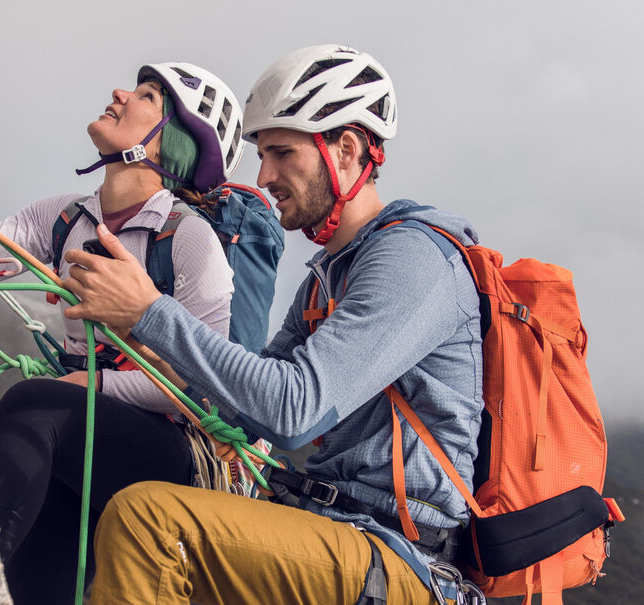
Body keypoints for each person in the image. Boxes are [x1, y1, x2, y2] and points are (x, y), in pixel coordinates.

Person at [62, 44, 486, 604]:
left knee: (151, 523)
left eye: (282, 153)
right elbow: (244, 405)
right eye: (262, 155)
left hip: (396, 559)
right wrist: (140, 340)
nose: (264, 176)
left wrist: (150, 313)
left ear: (348, 148)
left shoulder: (414, 258)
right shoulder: (325, 279)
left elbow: (291, 410)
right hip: (326, 531)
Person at [0, 61, 246, 604]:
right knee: (37, 580)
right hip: (82, 433)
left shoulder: (191, 242)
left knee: (37, 407)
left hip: (175, 454)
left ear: (168, 141)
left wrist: (90, 386)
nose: (119, 93)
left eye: (145, 95)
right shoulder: (61, 219)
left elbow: (200, 384)